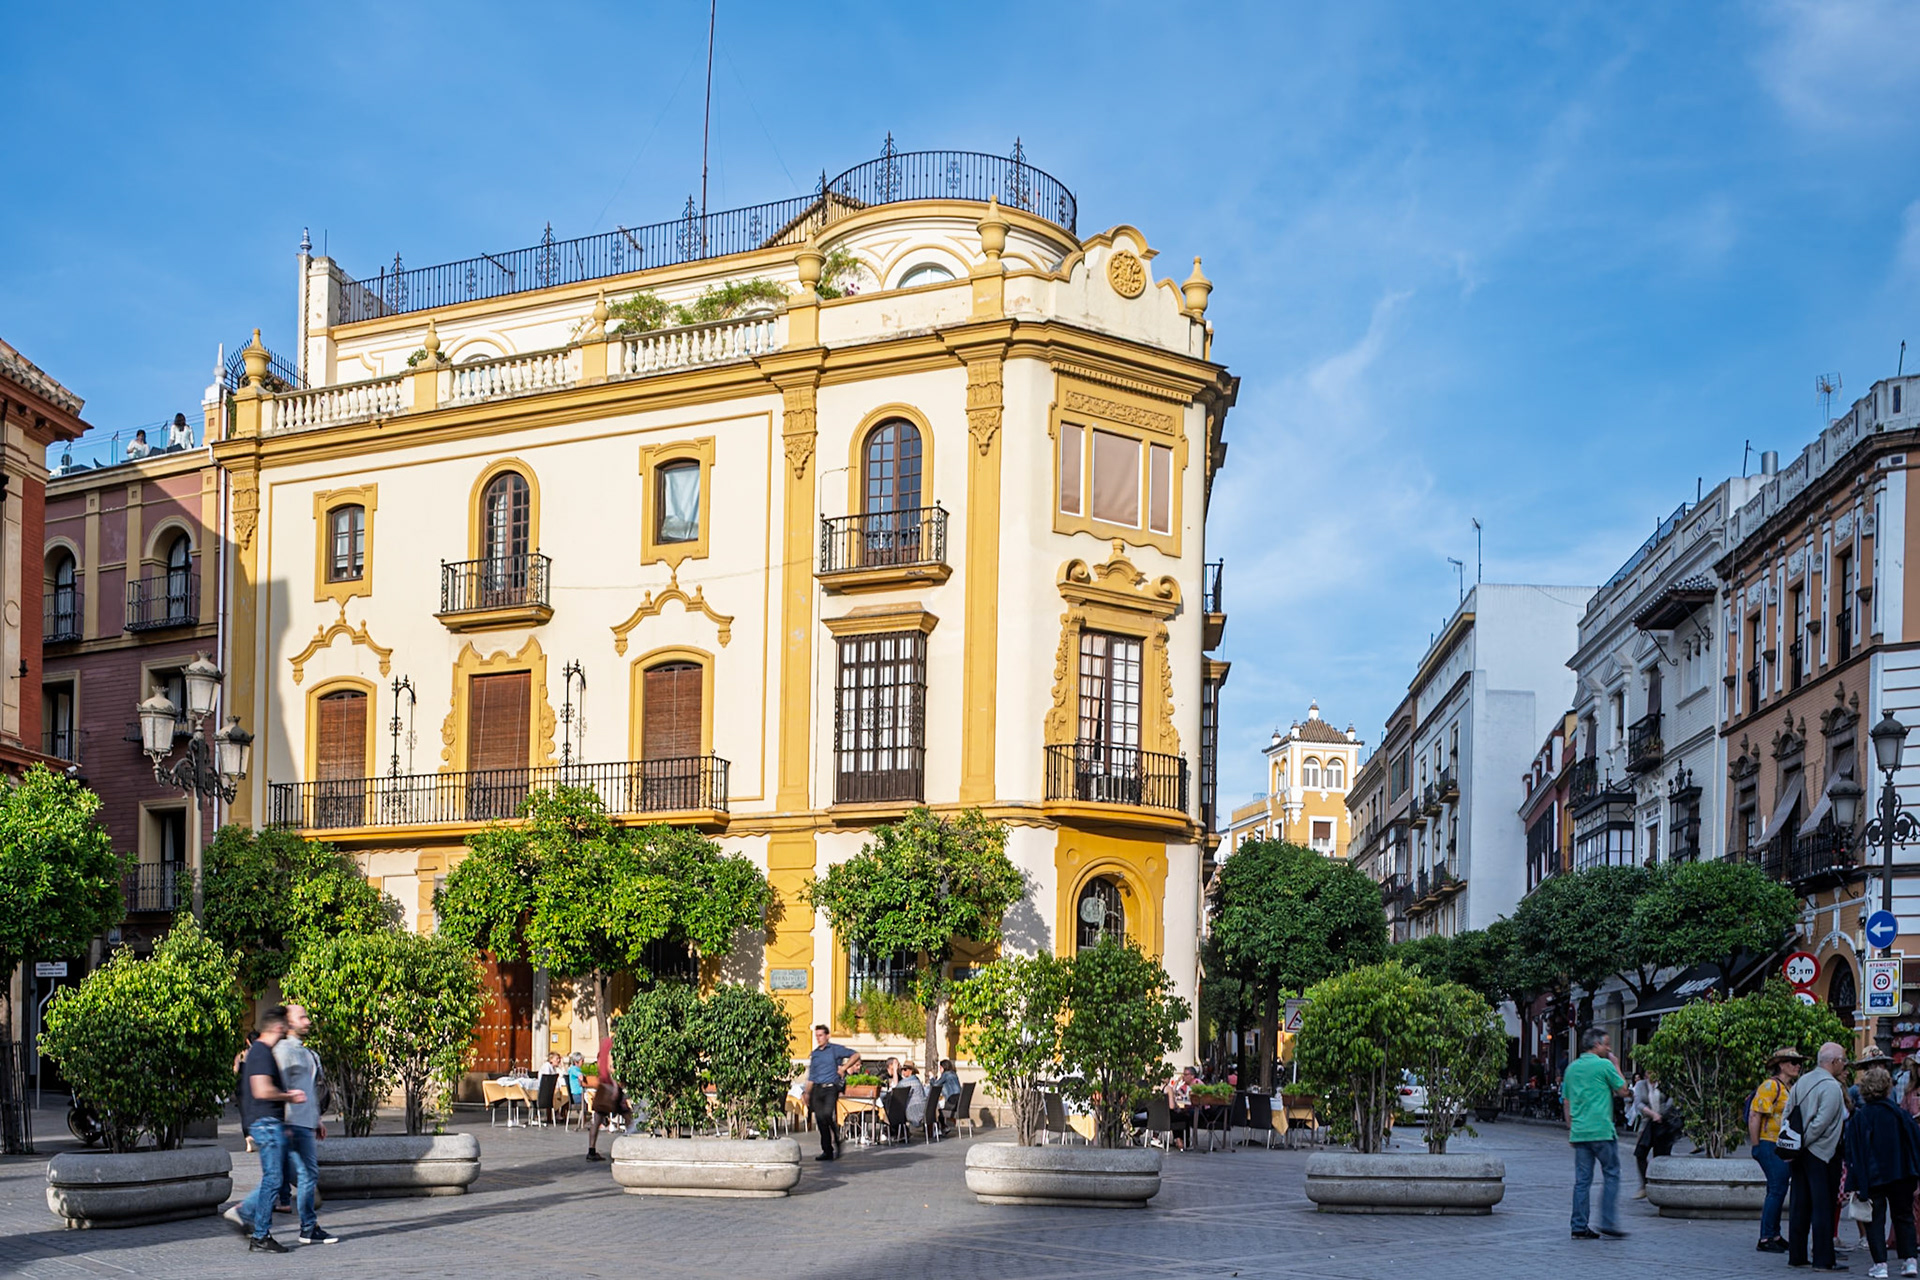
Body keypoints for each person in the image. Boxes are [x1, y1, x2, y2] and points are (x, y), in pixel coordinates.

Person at [227, 1007, 305, 1253]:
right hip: (266, 1124)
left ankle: (247, 1216)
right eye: (287, 1026)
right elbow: (262, 1090)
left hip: (270, 1124)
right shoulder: (261, 1052)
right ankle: (259, 1233)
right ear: (279, 1027)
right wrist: (289, 1096)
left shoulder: (261, 1051)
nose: (288, 1031)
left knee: (277, 1177)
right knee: (274, 1179)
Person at [1845, 1065, 1920, 1279]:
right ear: (1888, 1087)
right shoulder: (1900, 1114)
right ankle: (1910, 1260)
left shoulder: (1861, 1117)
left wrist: (1855, 1181)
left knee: (1874, 1220)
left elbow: (1853, 1151)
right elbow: (1915, 1142)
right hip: (1901, 1173)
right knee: (1904, 1216)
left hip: (1873, 1175)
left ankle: (1880, 1264)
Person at [272, 1004, 337, 1246]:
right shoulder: (283, 1051)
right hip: (293, 1122)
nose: (307, 1021)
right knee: (302, 1174)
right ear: (289, 1023)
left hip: (305, 1122)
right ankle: (308, 1227)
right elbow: (279, 1089)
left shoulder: (307, 1053)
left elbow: (310, 1090)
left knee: (297, 1174)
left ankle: (307, 1226)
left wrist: (316, 1118)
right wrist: (284, 1122)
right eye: (302, 1017)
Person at [1787, 1041, 1850, 1271]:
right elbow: (1822, 1122)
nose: (1844, 1065)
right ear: (1834, 1062)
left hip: (1799, 1153)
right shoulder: (1831, 1086)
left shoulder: (1802, 1081)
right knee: (1823, 1206)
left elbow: (1788, 1113)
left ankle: (1797, 1255)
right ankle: (1823, 1259)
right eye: (1843, 1061)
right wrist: (1806, 1142)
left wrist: (1795, 1144)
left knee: (1799, 1204)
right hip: (1822, 1153)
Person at [1563, 1026, 1631, 1240]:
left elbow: (1567, 1102)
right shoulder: (1604, 1065)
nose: (1609, 1048)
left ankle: (1578, 1225)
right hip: (1601, 1130)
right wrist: (1617, 1065)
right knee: (1611, 1174)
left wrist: (1571, 1129)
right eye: (1606, 1044)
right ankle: (1608, 1221)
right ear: (1596, 1044)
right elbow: (1623, 1091)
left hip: (1580, 1132)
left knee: (1582, 1181)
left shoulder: (1571, 1069)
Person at [1751, 1046, 1803, 1254]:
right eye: (1793, 1062)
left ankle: (1774, 1234)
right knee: (1777, 1188)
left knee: (1777, 1188)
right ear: (1781, 1065)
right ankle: (1766, 1237)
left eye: (1799, 1063)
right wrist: (1756, 1145)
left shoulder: (1788, 1088)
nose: (1797, 1066)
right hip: (1769, 1143)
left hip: (1781, 1145)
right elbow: (1755, 1115)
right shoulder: (1771, 1086)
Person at [804, 1024, 860, 1162]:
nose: (818, 1038)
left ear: (827, 1036)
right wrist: (807, 1092)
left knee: (827, 1114)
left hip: (830, 1088)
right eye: (817, 1036)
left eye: (821, 1035)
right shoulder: (815, 1054)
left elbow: (855, 1055)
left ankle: (837, 1138)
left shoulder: (835, 1050)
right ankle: (827, 1150)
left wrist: (844, 1068)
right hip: (817, 1089)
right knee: (820, 1119)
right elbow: (812, 1075)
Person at [585, 1029, 631, 1162]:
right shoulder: (615, 1044)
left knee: (597, 1119)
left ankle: (591, 1150)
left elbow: (600, 1063)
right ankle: (630, 1145)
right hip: (612, 1086)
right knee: (627, 1114)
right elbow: (612, 1067)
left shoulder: (604, 1044)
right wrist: (617, 1085)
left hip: (603, 1085)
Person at [1631, 1070, 1678, 1199]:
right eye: (1649, 1072)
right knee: (1640, 1153)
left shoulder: (1665, 1084)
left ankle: (1660, 1184)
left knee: (1661, 1155)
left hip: (1663, 1123)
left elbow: (1671, 1100)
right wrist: (1652, 1114)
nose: (1652, 1075)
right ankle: (1644, 1184)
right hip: (1647, 1122)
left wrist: (1662, 1114)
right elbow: (1638, 1103)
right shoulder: (1641, 1085)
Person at [932, 1059, 962, 1136]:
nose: (939, 1069)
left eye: (940, 1067)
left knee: (938, 1108)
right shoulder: (954, 1074)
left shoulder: (945, 1075)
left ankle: (941, 1128)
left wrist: (932, 1078)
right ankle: (944, 1127)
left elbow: (935, 1085)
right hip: (959, 1102)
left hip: (952, 1102)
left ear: (943, 1067)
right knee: (940, 1106)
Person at [899, 1062, 930, 1132]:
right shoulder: (917, 1080)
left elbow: (896, 1091)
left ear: (911, 1071)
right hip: (923, 1110)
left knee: (893, 1110)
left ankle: (895, 1132)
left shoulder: (905, 1082)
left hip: (913, 1112)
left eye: (905, 1069)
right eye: (902, 1070)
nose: (903, 1072)